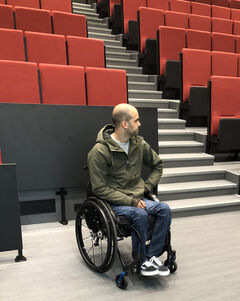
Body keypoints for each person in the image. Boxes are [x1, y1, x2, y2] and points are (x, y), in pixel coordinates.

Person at [88, 103, 171, 277]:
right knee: (139, 214)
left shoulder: (138, 143)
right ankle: (140, 260)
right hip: (114, 202)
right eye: (136, 120)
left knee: (164, 210)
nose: (140, 124)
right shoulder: (99, 151)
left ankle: (151, 256)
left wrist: (146, 187)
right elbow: (99, 188)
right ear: (125, 124)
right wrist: (131, 201)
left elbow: (158, 165)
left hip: (139, 197)